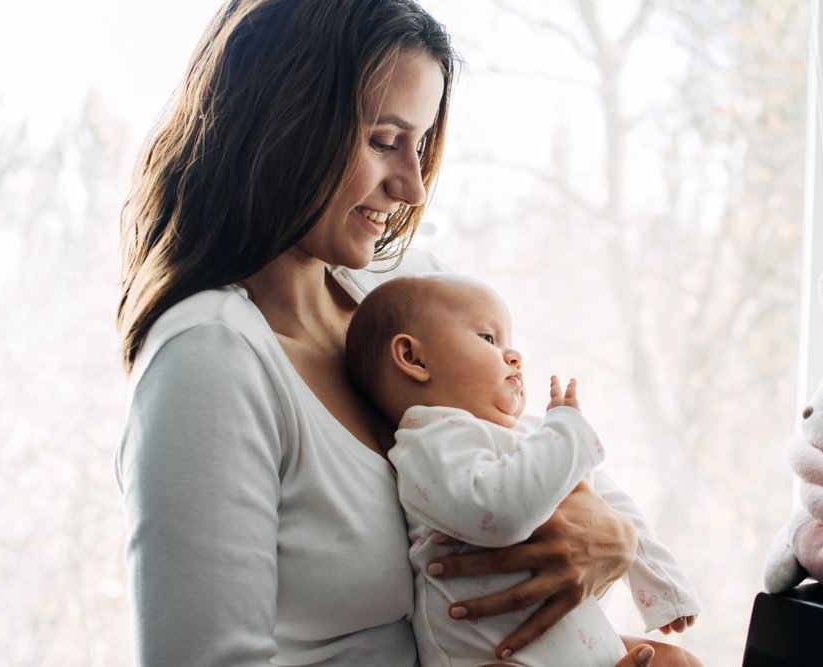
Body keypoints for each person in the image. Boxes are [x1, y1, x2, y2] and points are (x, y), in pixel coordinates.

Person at [115, 0, 703, 665]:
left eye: (420, 144)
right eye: (382, 140)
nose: (414, 187)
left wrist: (614, 539)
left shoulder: (401, 296)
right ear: (279, 124)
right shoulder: (209, 362)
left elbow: (524, 477)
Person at [345, 273, 702, 666]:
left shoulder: (531, 433)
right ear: (413, 358)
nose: (514, 355)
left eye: (510, 341)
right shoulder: (429, 441)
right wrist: (567, 433)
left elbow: (614, 506)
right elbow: (500, 514)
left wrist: (662, 585)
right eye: (488, 339)